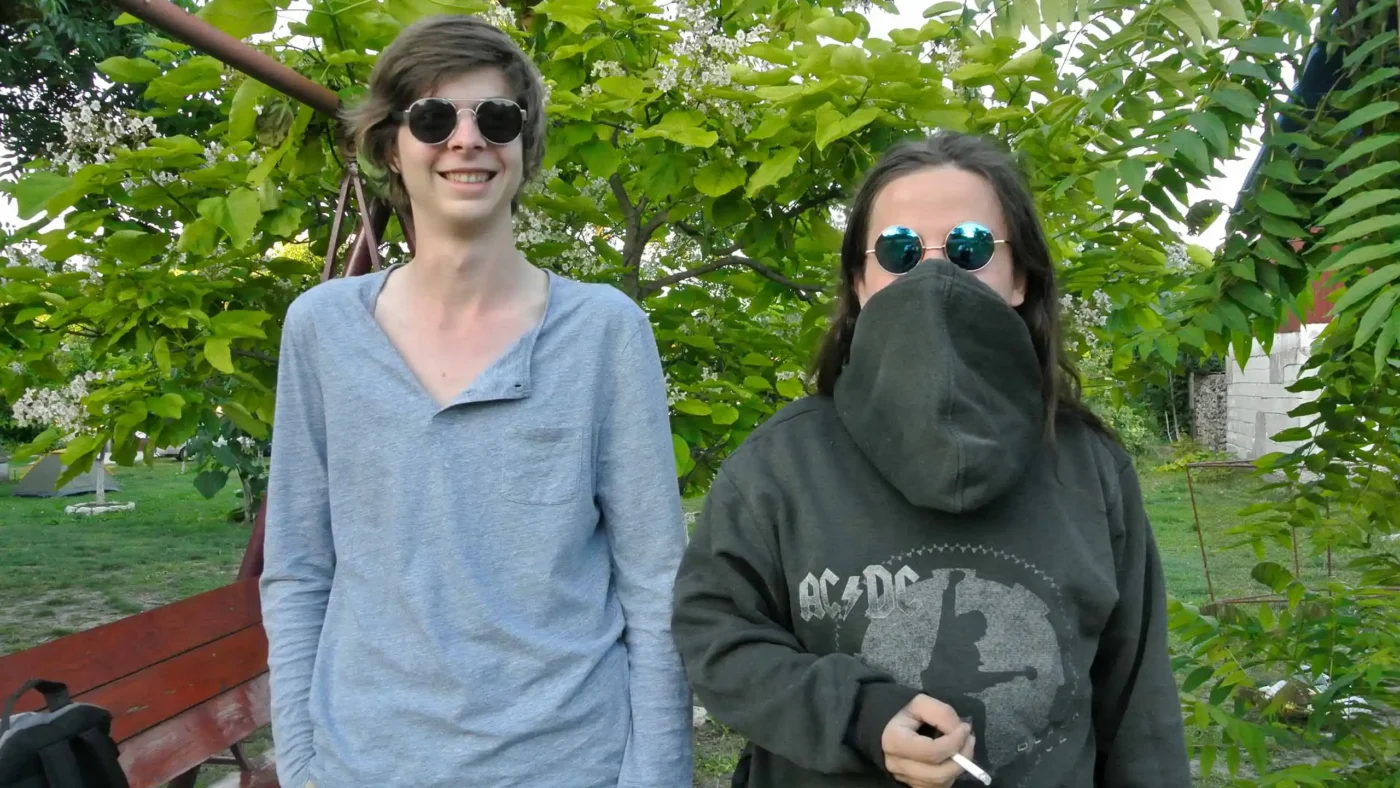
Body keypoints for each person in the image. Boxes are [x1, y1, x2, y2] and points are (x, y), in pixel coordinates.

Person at [671, 131, 1190, 788]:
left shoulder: (1091, 470)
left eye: (970, 249)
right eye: (901, 251)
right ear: (860, 282)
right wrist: (857, 714)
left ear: (1021, 278)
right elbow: (713, 633)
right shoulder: (781, 465)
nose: (936, 276)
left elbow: (1138, 708)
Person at [259, 15, 692, 788]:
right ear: (392, 144)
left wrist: (656, 774)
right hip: (365, 764)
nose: (467, 141)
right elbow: (297, 570)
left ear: (525, 148)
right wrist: (299, 764)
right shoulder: (321, 329)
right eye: (433, 117)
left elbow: (655, 581)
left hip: (567, 763)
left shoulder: (603, 332)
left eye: (496, 118)